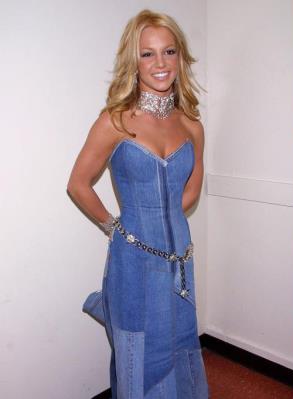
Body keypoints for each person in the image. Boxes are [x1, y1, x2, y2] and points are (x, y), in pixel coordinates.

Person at [66, 9, 209, 398]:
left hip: (180, 255)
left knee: (178, 338)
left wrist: (168, 222)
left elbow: (192, 190)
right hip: (133, 258)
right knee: (139, 348)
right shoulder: (115, 121)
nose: (160, 63)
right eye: (148, 54)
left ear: (181, 57)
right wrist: (116, 229)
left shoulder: (192, 124)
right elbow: (78, 184)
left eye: (169, 51)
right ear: (134, 60)